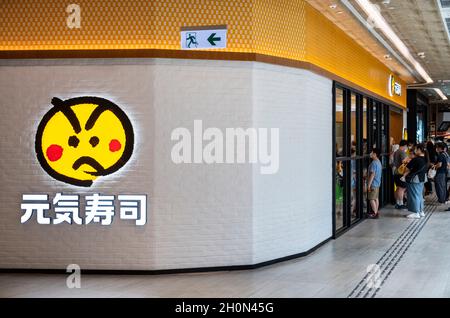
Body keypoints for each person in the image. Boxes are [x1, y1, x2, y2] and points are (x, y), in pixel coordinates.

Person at [401, 143, 428, 219]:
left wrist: (407, 161)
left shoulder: (416, 159)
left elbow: (407, 169)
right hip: (422, 178)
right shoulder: (425, 159)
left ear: (419, 150)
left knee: (414, 195)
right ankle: (421, 211)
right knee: (419, 195)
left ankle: (416, 212)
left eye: (416, 149)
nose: (415, 150)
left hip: (414, 179)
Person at [392, 140, 408, 210]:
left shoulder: (396, 152)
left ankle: (397, 203)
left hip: (395, 172)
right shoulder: (402, 152)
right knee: (402, 188)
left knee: (398, 188)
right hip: (400, 173)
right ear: (405, 146)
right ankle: (401, 203)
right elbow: (404, 162)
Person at [368, 148, 382, 219]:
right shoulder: (378, 162)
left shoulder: (374, 163)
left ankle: (375, 213)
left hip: (373, 183)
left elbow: (372, 174)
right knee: (376, 198)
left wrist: (369, 185)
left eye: (371, 152)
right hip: (377, 183)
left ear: (375, 154)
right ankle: (376, 211)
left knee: (371, 199)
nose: (370, 154)